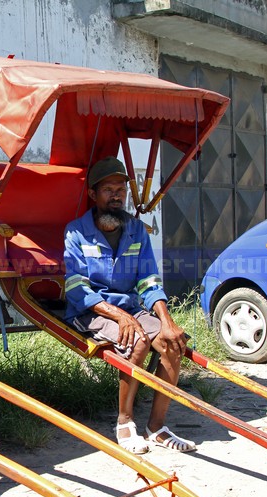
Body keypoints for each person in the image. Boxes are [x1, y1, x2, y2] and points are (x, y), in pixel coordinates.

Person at [63, 156, 195, 454]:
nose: (116, 195)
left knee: (173, 342)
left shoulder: (136, 230)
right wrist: (119, 315)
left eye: (121, 188)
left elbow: (148, 279)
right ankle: (125, 422)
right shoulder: (76, 232)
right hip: (91, 311)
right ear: (93, 195)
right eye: (108, 189)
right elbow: (76, 287)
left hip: (131, 309)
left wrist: (166, 320)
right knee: (137, 342)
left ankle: (157, 427)